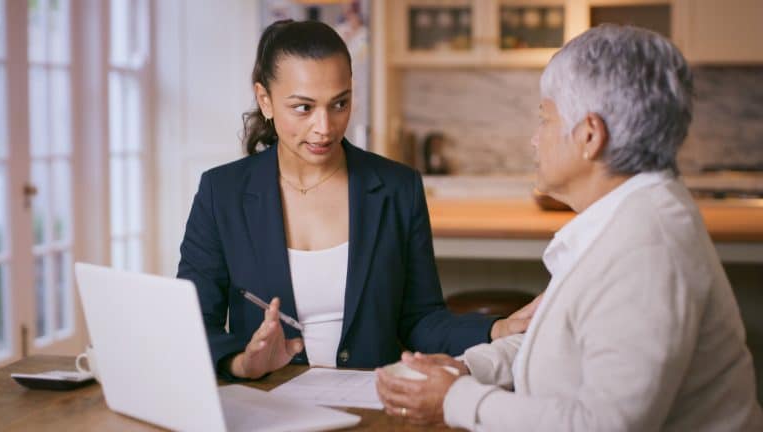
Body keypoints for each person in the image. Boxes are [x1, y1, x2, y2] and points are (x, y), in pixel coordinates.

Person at [376, 25, 763, 431]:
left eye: (545, 118)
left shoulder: (646, 250)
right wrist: (465, 367)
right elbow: (558, 341)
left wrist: (455, 400)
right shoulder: (626, 216)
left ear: (589, 136)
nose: (534, 140)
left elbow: (603, 424)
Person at [177, 19, 536, 381]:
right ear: (265, 100)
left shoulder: (398, 188)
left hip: (372, 405)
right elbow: (191, 324)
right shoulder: (221, 193)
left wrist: (497, 330)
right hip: (267, 405)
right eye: (303, 108)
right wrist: (243, 363)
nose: (325, 127)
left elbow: (421, 320)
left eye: (339, 103)